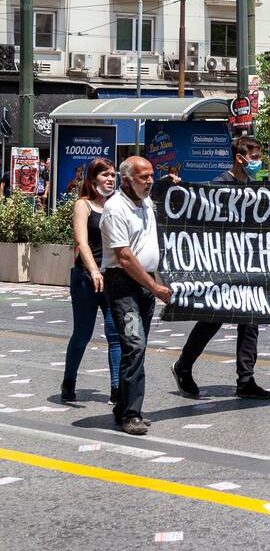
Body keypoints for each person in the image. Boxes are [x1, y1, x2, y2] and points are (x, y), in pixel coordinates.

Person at [172, 136, 270, 401]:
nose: (258, 163)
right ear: (240, 158)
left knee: (250, 321)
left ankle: (246, 380)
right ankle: (183, 365)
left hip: (248, 265)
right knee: (213, 318)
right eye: (255, 158)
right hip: (223, 265)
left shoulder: (255, 187)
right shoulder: (220, 185)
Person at [101, 156, 171, 435]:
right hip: (123, 285)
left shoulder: (147, 204)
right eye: (143, 177)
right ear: (126, 180)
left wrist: (156, 282)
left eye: (151, 175)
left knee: (138, 347)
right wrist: (155, 287)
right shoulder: (115, 208)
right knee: (133, 345)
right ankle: (131, 414)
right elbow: (125, 257)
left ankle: (124, 408)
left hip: (145, 284)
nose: (149, 181)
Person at [61, 157, 122, 404]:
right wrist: (94, 270)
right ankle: (69, 381)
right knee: (82, 334)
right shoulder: (83, 205)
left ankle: (117, 389)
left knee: (115, 334)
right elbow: (82, 242)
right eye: (105, 174)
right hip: (86, 277)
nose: (110, 178)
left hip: (112, 279)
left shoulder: (118, 205)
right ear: (92, 178)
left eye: (113, 174)